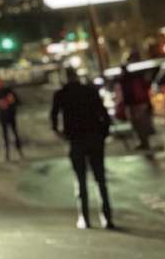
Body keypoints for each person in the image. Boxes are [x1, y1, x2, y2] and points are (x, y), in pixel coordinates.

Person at [50, 69, 114, 229]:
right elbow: (104, 114)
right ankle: (106, 217)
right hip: (94, 137)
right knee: (100, 180)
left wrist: (59, 133)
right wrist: (104, 133)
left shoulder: (61, 94)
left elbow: (53, 117)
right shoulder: (90, 91)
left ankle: (84, 217)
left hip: (76, 140)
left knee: (80, 180)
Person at [118, 64, 154, 150]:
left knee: (137, 125)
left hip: (134, 105)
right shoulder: (135, 78)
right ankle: (145, 142)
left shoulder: (123, 80)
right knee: (141, 124)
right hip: (140, 103)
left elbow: (123, 96)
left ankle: (144, 142)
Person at [0, 78, 23, 160]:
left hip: (11, 114)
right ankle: (6, 154)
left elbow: (18, 101)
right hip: (2, 116)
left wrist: (11, 101)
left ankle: (19, 151)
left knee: (15, 133)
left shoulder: (8, 91)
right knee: (4, 135)